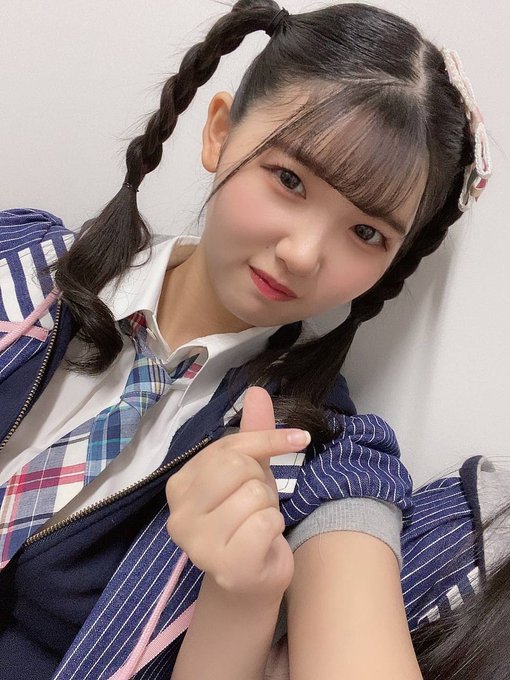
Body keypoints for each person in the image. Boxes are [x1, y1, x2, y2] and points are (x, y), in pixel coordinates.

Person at [0, 1, 491, 679]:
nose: (302, 253)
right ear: (219, 133)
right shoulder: (18, 263)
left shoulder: (323, 457)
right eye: (290, 180)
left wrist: (246, 596)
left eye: (366, 232)